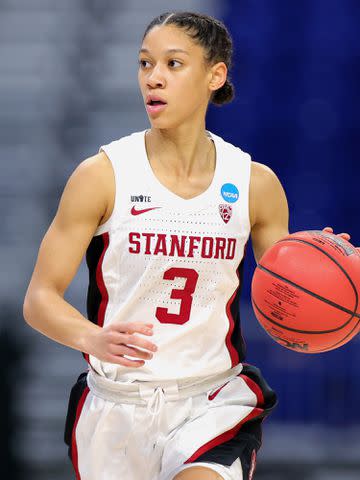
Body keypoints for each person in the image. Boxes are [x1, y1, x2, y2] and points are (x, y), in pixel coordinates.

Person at [23, 11, 353, 480]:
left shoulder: (255, 184)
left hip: (212, 402)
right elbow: (39, 299)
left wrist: (324, 265)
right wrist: (90, 337)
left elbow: (285, 293)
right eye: (144, 64)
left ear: (215, 75)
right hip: (117, 408)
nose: (153, 78)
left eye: (173, 64)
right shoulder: (102, 175)